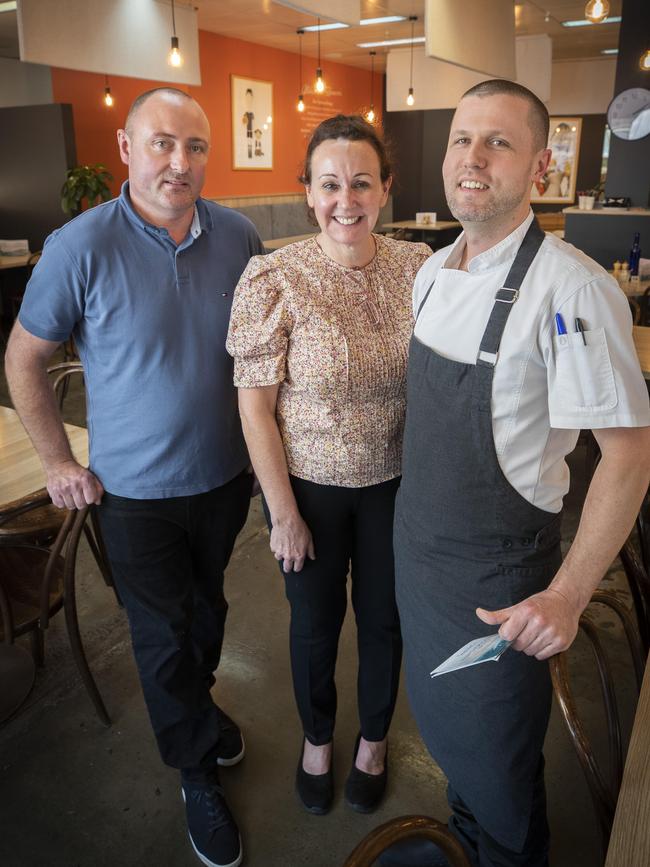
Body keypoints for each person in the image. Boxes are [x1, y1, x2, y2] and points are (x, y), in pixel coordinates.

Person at [381, 79, 650, 867]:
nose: (473, 157)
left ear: (539, 166)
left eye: (499, 142)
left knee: (502, 770)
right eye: (463, 138)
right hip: (420, 562)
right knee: (454, 746)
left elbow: (630, 457)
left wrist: (567, 596)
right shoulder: (430, 273)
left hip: (501, 581)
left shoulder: (574, 291)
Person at [5, 87, 265, 867]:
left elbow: (259, 356)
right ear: (126, 147)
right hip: (133, 496)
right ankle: (193, 771)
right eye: (161, 143)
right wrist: (57, 461)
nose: (178, 162)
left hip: (224, 482)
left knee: (209, 611)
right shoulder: (78, 246)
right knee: (161, 636)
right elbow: (22, 359)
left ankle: (197, 704)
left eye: (194, 147)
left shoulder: (241, 236)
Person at [226, 115, 431, 816]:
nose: (347, 199)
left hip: (395, 484)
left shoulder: (420, 267)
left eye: (362, 183)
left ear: (385, 189)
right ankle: (319, 737)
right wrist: (282, 514)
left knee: (384, 620)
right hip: (307, 486)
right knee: (314, 623)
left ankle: (372, 740)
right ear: (309, 194)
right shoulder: (274, 278)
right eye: (330, 184)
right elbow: (255, 409)